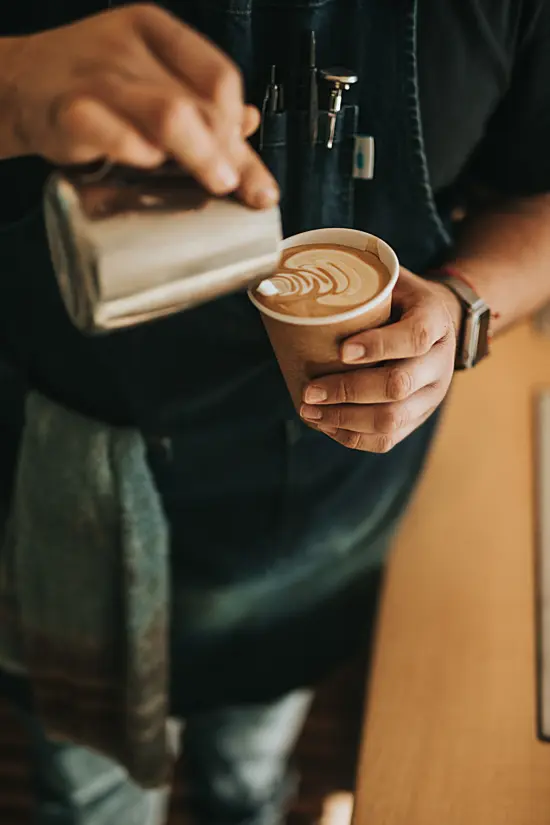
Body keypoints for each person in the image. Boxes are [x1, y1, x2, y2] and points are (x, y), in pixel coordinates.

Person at [1, 1, 550, 823]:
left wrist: (465, 307)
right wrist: (10, 90)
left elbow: (538, 199)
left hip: (327, 512)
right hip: (65, 479)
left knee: (254, 765)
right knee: (90, 793)